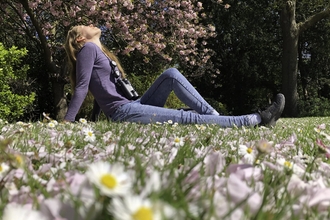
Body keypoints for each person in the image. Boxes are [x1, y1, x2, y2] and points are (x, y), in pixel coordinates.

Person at [64, 24, 285, 127]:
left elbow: (101, 90)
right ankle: (255, 120)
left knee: (171, 74)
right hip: (124, 112)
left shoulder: (98, 52)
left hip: (132, 104)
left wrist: (94, 119)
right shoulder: (88, 50)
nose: (91, 24)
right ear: (81, 39)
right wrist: (68, 121)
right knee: (186, 117)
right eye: (84, 25)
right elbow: (83, 86)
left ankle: (216, 118)